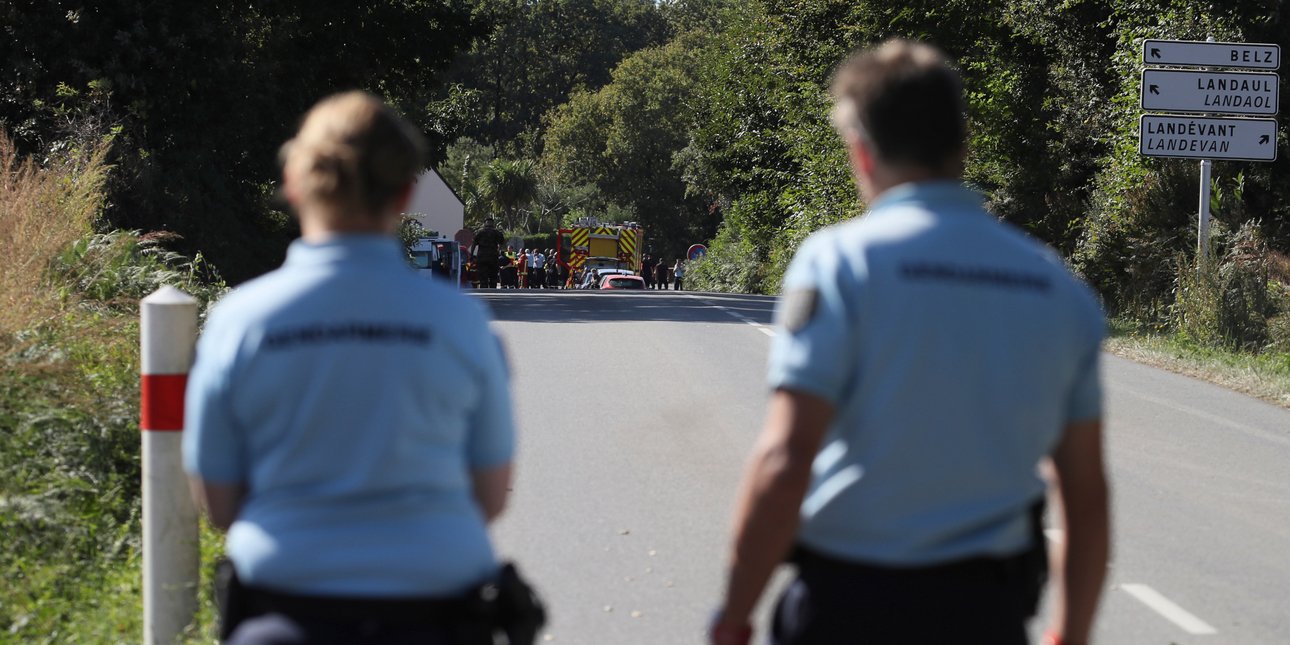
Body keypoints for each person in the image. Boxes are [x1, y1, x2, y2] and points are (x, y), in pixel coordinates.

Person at [710, 40, 1109, 645]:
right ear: (960, 146)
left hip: (847, 607)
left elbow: (785, 461)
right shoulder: (1057, 286)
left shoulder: (838, 263)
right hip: (987, 616)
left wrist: (735, 614)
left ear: (862, 154)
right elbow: (1084, 491)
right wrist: (1071, 633)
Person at [184, 92, 531, 644]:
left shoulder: (239, 322)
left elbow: (219, 501)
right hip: (438, 610)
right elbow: (489, 496)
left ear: (295, 185)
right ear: (404, 194)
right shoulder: (461, 323)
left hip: (284, 607)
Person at [471, 218, 505, 289]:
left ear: (485, 224)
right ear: (493, 224)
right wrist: (498, 250)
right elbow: (502, 242)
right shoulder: (497, 233)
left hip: (482, 257)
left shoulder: (480, 232)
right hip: (493, 257)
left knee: (483, 277)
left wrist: (471, 255)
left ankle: (484, 290)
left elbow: (474, 244)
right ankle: (493, 290)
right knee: (493, 276)